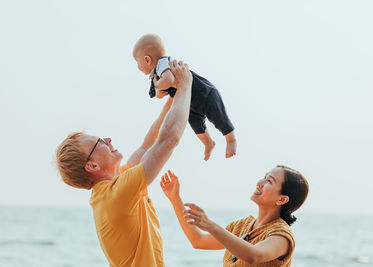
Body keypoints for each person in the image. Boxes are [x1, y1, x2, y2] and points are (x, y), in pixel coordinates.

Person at [55, 60, 192, 267]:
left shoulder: (113, 189)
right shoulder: (116, 195)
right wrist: (185, 86)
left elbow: (149, 143)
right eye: (99, 142)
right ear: (92, 166)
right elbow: (169, 140)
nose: (107, 139)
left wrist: (170, 101)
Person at [160, 166, 309, 267]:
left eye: (269, 181)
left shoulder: (281, 236)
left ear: (282, 199)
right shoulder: (241, 226)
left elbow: (254, 256)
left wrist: (211, 225)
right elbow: (198, 241)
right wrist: (175, 199)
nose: (260, 183)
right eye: (264, 177)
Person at [133, 33, 237, 161]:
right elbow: (161, 94)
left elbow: (169, 80)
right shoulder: (158, 73)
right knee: (196, 125)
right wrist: (158, 87)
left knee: (219, 119)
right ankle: (208, 143)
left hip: (205, 94)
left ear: (147, 60)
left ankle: (231, 140)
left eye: (137, 62)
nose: (137, 67)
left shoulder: (163, 64)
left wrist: (156, 84)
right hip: (191, 103)